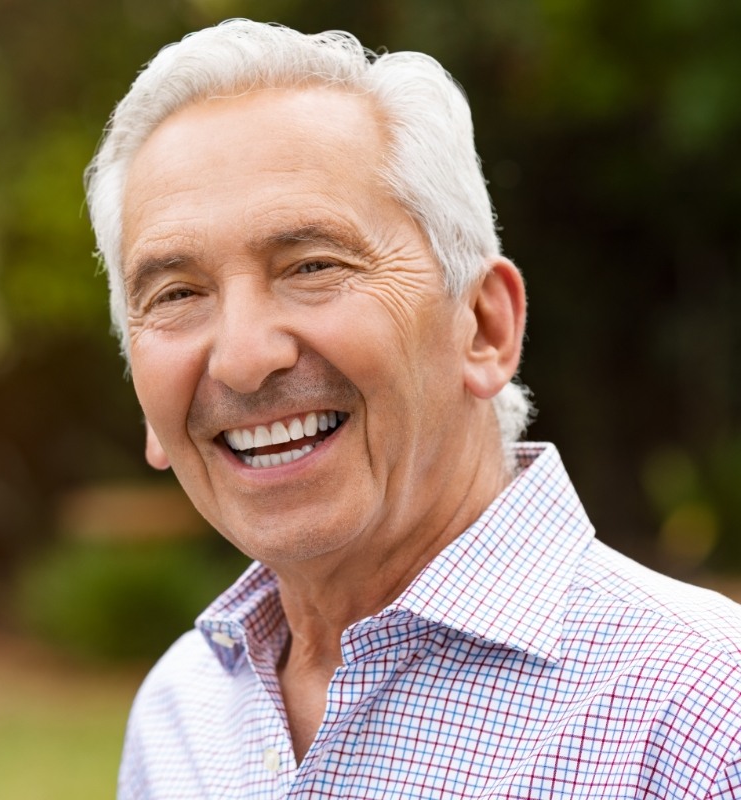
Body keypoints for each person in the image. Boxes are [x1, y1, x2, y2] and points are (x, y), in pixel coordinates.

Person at [86, 19, 741, 799]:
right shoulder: (182, 711)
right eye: (178, 294)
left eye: (313, 265)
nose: (242, 356)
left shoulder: (705, 718)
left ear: (485, 327)